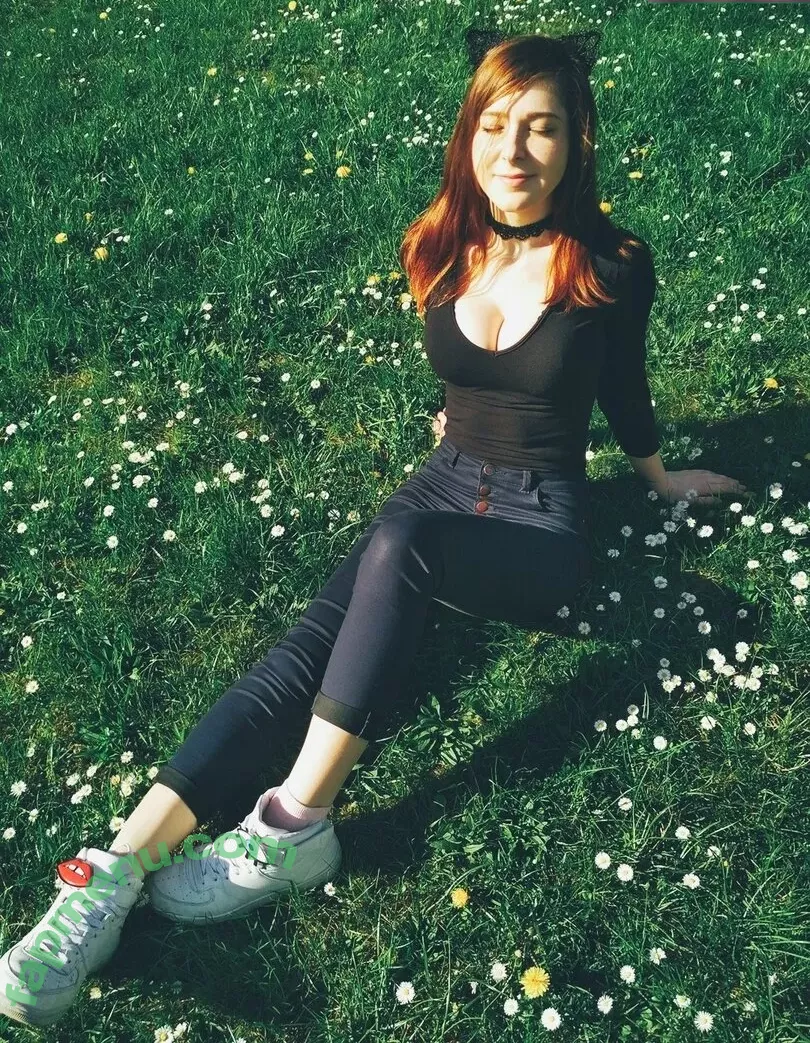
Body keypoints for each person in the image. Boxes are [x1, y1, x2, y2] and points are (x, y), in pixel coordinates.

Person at [0, 28, 749, 1029]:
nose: (513, 151)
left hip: (543, 525)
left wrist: (657, 476)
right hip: (442, 486)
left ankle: (296, 825)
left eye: (541, 128)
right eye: (494, 125)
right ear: (467, 134)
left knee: (404, 549)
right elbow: (472, 378)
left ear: (579, 140)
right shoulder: (443, 243)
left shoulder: (612, 263)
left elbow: (624, 382)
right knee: (292, 660)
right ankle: (113, 871)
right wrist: (460, 420)